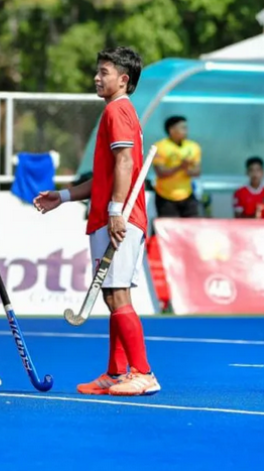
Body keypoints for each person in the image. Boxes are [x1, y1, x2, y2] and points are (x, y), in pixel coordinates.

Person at [33, 46, 160, 397]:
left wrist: (116, 211)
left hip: (118, 218)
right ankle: (117, 372)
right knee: (112, 295)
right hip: (111, 215)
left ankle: (143, 373)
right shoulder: (115, 112)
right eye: (98, 71)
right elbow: (105, 175)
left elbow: (124, 164)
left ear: (123, 79)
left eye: (104, 72)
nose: (96, 77)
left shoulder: (118, 111)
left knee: (118, 294)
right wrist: (65, 196)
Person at [152, 116, 201, 218]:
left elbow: (197, 171)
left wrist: (187, 168)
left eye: (186, 128)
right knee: (169, 229)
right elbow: (160, 173)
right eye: (182, 128)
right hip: (165, 196)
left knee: (191, 227)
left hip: (187, 194)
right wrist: (180, 167)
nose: (186, 131)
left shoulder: (193, 146)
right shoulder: (160, 146)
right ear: (172, 130)